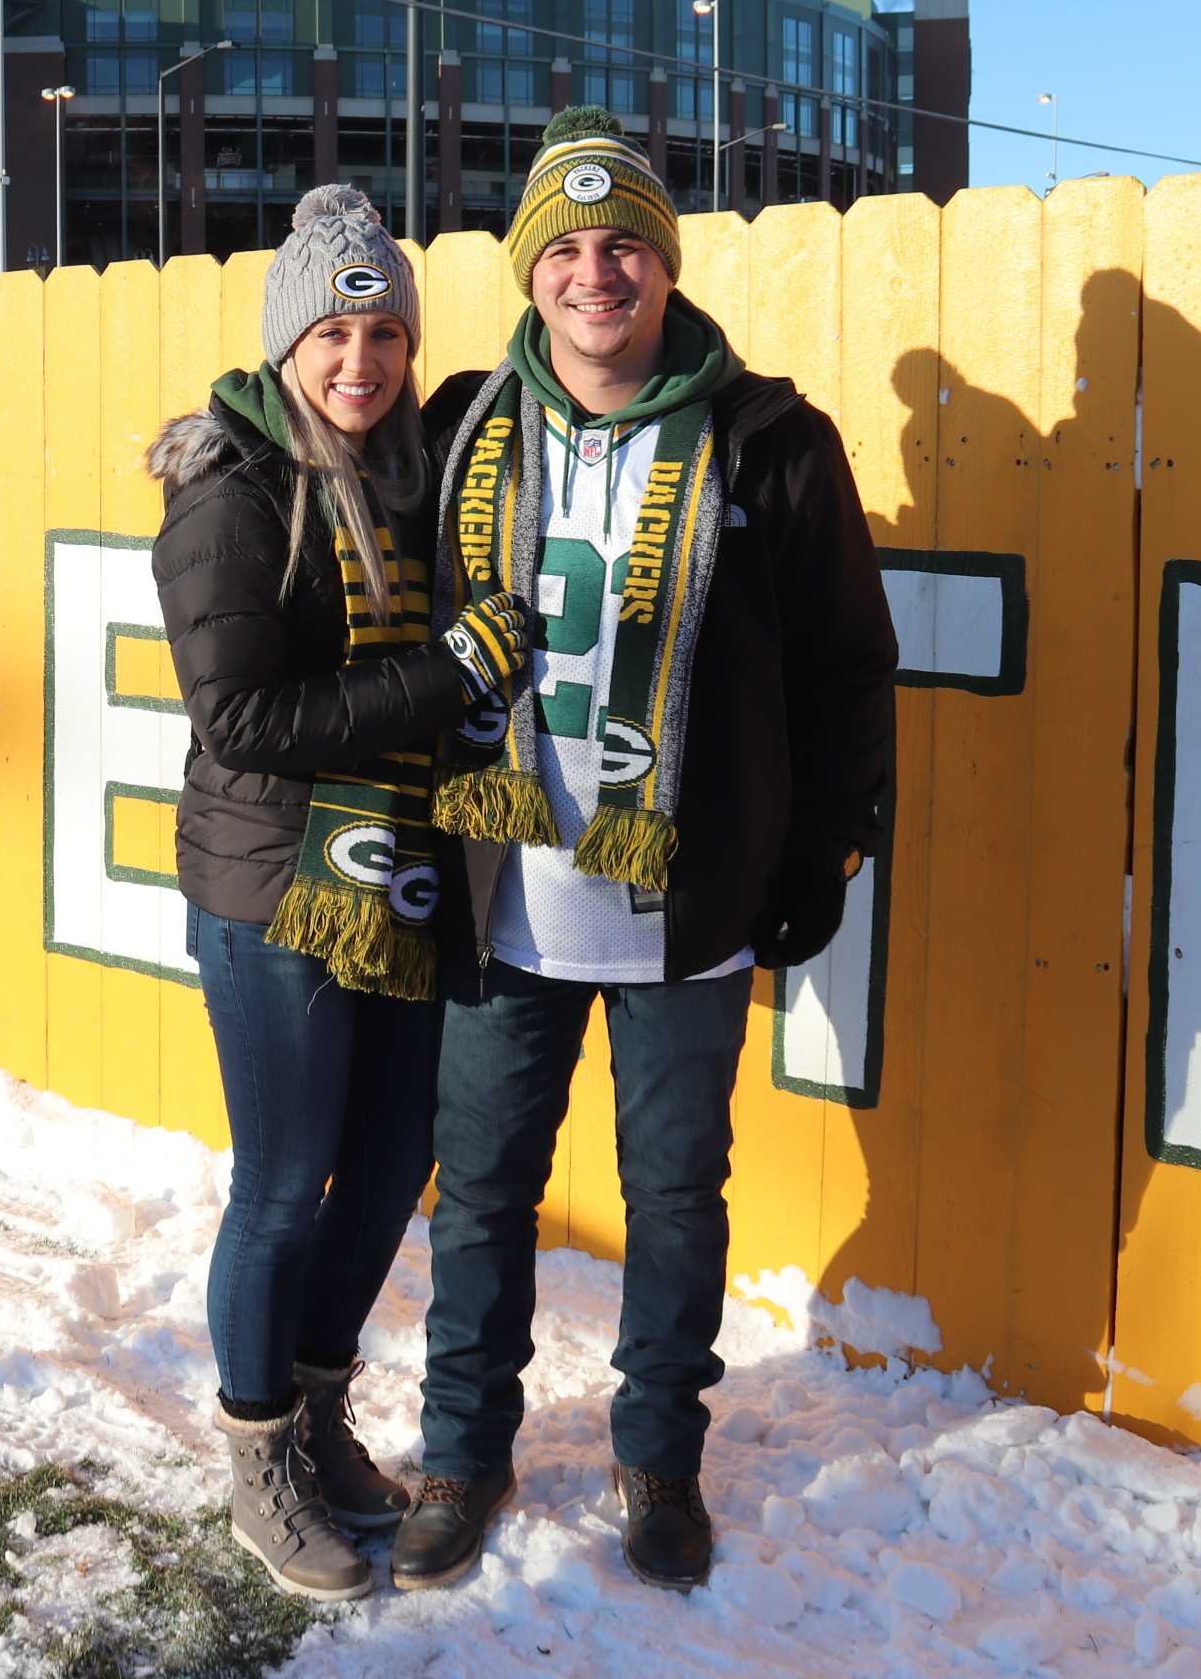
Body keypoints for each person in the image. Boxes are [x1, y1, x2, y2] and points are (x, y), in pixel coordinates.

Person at [392, 108, 897, 1594]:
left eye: (623, 247)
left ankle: (659, 1457)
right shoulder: (467, 425)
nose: (594, 274)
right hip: (505, 895)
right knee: (480, 1187)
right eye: (565, 247)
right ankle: (463, 1452)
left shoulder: (773, 442)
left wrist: (828, 855)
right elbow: (337, 526)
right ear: (530, 268)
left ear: (666, 268)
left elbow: (848, 671)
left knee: (677, 1194)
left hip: (688, 903)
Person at [149, 183, 543, 1602]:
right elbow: (243, 719)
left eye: (382, 332)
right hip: (273, 890)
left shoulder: (415, 469)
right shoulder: (234, 492)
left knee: (385, 1169)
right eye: (332, 332)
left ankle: (316, 1410)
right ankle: (257, 1451)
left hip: (399, 878)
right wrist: (453, 674)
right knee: (284, 1182)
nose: (359, 362)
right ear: (284, 343)